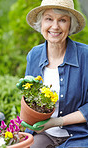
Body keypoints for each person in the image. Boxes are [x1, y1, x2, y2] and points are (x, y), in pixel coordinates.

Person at [23, 0, 88, 147]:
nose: (55, 26)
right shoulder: (34, 55)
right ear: (41, 24)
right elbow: (28, 99)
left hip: (79, 135)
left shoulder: (85, 56)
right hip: (43, 134)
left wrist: (58, 122)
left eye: (62, 20)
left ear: (70, 24)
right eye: (49, 19)